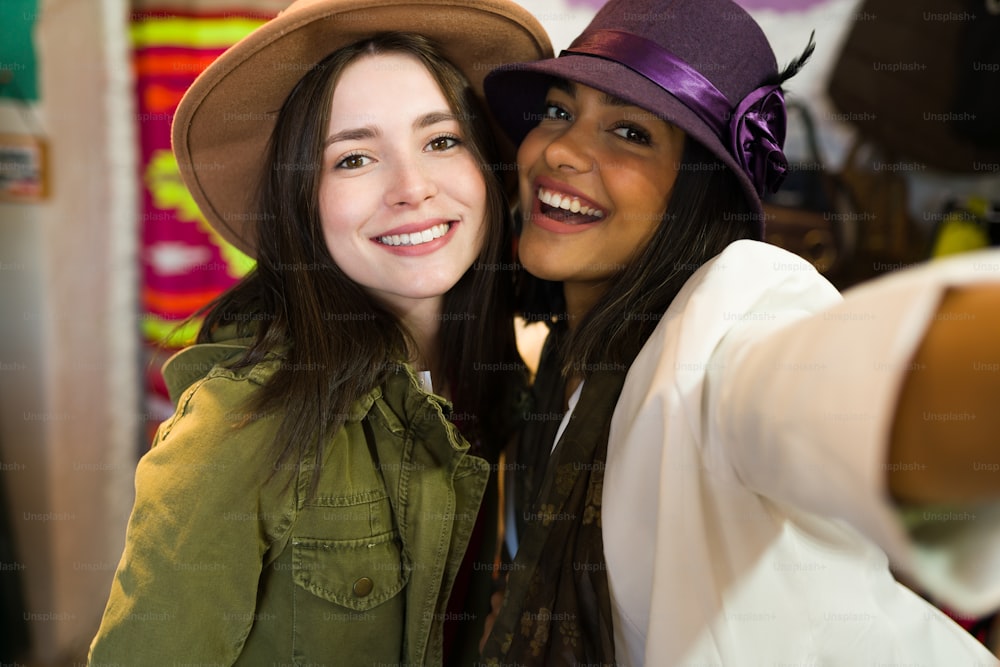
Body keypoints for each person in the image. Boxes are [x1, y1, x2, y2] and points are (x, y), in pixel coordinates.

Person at [477, 0, 1000, 664]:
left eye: (631, 132)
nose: (561, 149)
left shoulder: (727, 317)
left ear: (703, 191)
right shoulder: (561, 357)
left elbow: (812, 385)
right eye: (558, 110)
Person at [88, 1, 551, 665]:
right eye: (355, 158)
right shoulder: (236, 429)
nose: (411, 188)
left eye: (442, 140)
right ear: (301, 199)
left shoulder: (514, 391)